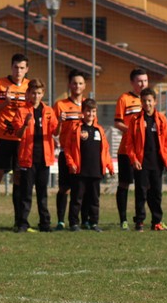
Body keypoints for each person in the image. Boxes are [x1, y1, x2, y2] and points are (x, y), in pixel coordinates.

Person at [0, 53, 30, 231]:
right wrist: (5, 103)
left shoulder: (29, 87)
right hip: (2, 139)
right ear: (11, 67)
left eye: (22, 68)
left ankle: (18, 222)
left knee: (19, 179)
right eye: (16, 67)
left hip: (21, 140)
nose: (18, 71)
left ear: (27, 69)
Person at [11, 79, 59, 233]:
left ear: (43, 94)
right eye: (33, 93)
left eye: (39, 93)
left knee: (42, 193)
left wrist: (62, 123)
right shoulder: (21, 111)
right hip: (27, 158)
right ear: (28, 93)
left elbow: (55, 132)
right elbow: (17, 134)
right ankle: (23, 224)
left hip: (44, 158)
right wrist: (25, 124)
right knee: (26, 193)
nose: (36, 96)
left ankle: (45, 223)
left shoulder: (49, 111)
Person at [126, 87, 167, 231]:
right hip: (141, 162)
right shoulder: (135, 120)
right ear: (141, 102)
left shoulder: (161, 119)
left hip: (156, 162)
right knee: (141, 193)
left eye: (150, 101)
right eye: (145, 101)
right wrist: (134, 159)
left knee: (156, 193)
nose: (147, 104)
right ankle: (139, 221)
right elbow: (130, 143)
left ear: (155, 102)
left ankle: (156, 222)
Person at [64, 99, 113, 231]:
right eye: (88, 111)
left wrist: (109, 166)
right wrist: (71, 163)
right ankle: (74, 223)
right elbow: (67, 148)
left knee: (94, 199)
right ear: (83, 112)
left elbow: (105, 149)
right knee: (77, 198)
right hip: (80, 170)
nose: (90, 114)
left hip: (96, 170)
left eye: (93, 111)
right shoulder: (76, 128)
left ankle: (93, 223)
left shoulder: (99, 130)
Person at [53, 69, 88, 231]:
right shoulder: (60, 105)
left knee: (81, 189)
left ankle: (82, 220)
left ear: (85, 85)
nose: (77, 86)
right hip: (66, 153)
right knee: (64, 188)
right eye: (74, 83)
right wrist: (59, 122)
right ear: (69, 85)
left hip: (84, 155)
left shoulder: (89, 105)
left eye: (80, 83)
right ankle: (61, 220)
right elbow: (55, 132)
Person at [114, 68, 148, 230]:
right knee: (124, 184)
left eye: (145, 81)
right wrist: (133, 131)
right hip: (126, 151)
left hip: (144, 152)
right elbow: (117, 122)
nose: (143, 84)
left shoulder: (149, 99)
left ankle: (140, 219)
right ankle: (123, 219)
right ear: (132, 83)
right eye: (140, 81)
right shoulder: (125, 99)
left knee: (143, 186)